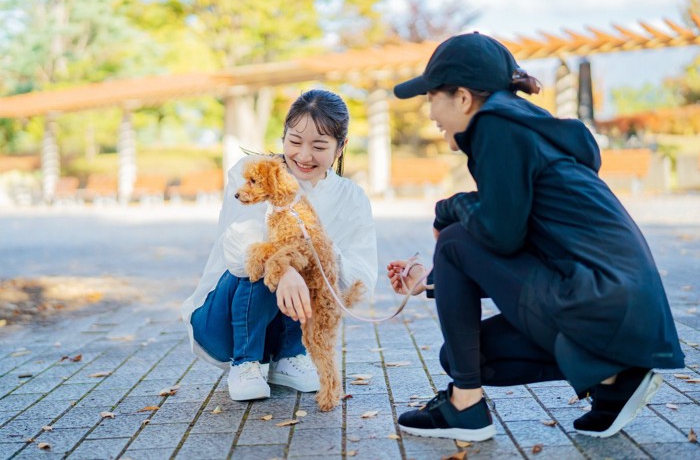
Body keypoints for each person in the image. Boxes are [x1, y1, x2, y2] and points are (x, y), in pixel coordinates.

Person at [387, 33, 684, 442]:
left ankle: (465, 406)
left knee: (455, 237)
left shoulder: (496, 125)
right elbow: (510, 241)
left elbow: (498, 235)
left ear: (462, 98)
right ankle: (615, 379)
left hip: (601, 298)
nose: (430, 112)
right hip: (621, 308)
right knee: (470, 356)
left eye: (433, 96)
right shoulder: (523, 128)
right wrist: (433, 279)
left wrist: (448, 208)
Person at [182, 89, 377, 402]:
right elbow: (237, 249)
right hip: (225, 325)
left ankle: (289, 356)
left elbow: (361, 279)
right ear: (283, 136)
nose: (303, 155)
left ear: (341, 148)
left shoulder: (351, 198)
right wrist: (284, 269)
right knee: (265, 259)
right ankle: (246, 363)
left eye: (319, 146)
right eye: (295, 141)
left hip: (295, 324)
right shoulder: (255, 173)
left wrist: (319, 254)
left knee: (309, 265)